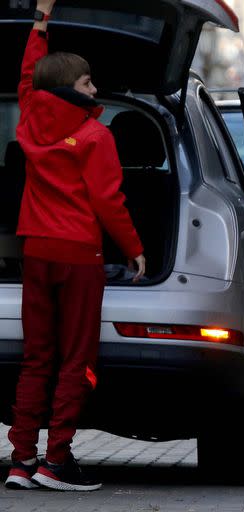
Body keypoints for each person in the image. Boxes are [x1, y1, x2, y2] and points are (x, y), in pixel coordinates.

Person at [6, 0, 145, 492]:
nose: (94, 88)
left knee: (35, 358)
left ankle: (20, 460)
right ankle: (56, 461)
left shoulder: (28, 120)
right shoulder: (94, 135)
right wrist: (134, 248)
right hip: (79, 255)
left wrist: (40, 21)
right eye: (87, 82)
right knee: (75, 360)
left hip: (35, 252)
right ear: (70, 87)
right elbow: (109, 201)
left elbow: (28, 77)